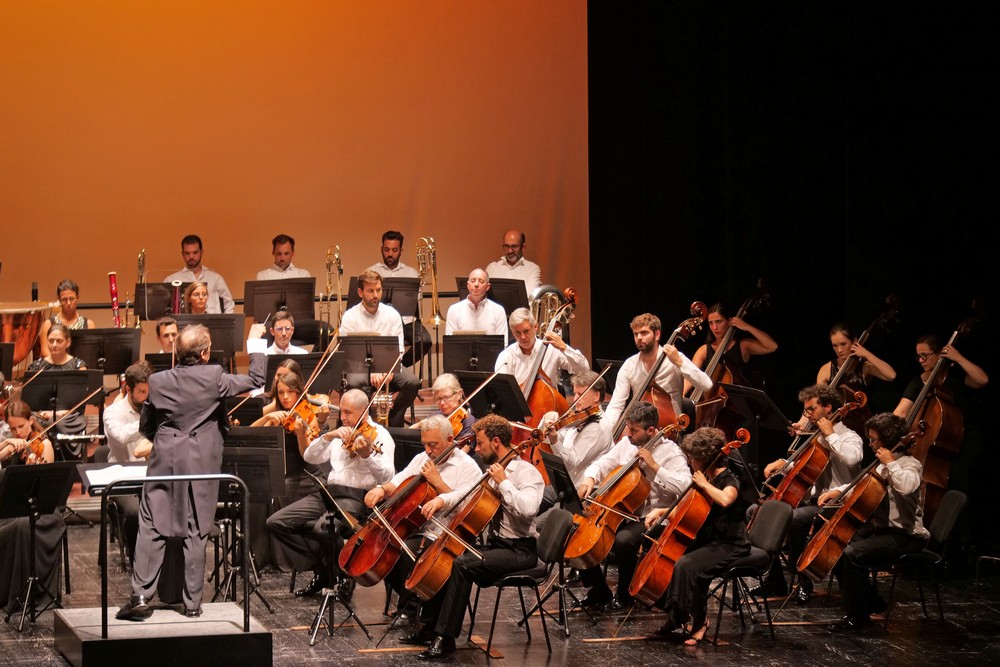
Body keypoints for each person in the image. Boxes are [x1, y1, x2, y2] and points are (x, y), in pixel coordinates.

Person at [115, 322, 266, 621]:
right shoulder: (214, 377)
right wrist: (254, 341)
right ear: (205, 353)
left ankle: (141, 596)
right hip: (202, 462)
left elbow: (147, 425)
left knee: (151, 524)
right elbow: (257, 378)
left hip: (165, 460)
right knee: (197, 529)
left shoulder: (157, 381)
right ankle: (193, 604)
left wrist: (166, 437)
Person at [402, 414, 545, 659]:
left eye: (480, 444)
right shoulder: (490, 471)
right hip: (497, 546)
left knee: (462, 565)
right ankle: (428, 627)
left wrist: (505, 483)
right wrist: (441, 499)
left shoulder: (526, 472)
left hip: (521, 551)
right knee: (448, 558)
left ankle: (445, 638)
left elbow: (528, 509)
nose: (476, 449)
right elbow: (465, 497)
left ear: (496, 442)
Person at [266, 388, 395, 598]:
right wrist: (328, 436)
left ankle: (334, 573)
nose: (342, 417)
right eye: (341, 412)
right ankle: (328, 568)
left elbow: (387, 477)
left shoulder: (380, 435)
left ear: (364, 411)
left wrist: (367, 456)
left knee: (323, 529)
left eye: (348, 413)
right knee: (277, 522)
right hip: (328, 493)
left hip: (356, 497)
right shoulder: (339, 433)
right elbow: (310, 456)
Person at [574, 402, 691, 612]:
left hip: (655, 517)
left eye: (634, 430)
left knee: (624, 541)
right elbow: (603, 463)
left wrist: (656, 467)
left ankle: (625, 595)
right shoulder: (627, 444)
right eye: (628, 428)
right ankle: (599, 590)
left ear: (651, 430)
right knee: (578, 529)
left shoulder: (672, 454)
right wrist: (590, 478)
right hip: (625, 513)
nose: (628, 434)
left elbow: (686, 486)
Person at [365, 414, 481, 624]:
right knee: (385, 552)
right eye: (425, 444)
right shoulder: (422, 459)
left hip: (447, 534)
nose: (428, 450)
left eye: (433, 445)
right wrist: (382, 490)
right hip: (418, 527)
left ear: (449, 440)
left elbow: (465, 508)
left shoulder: (468, 467)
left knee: (407, 552)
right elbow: (399, 481)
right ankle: (411, 604)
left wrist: (438, 483)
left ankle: (417, 608)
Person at [753, 384, 863, 603]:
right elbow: (804, 465)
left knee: (794, 520)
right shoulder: (817, 436)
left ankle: (803, 579)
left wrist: (831, 435)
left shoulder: (850, 437)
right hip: (812, 501)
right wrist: (783, 464)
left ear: (828, 408)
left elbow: (853, 459)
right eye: (807, 410)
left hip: (837, 503)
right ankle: (775, 581)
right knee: (757, 511)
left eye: (811, 409)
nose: (808, 415)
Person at [821, 412, 929, 632]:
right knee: (839, 547)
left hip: (906, 536)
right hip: (882, 531)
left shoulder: (911, 464)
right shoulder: (880, 465)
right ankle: (870, 602)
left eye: (873, 439)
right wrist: (837, 491)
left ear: (888, 440)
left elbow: (906, 487)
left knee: (853, 553)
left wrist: (891, 464)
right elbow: (860, 482)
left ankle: (858, 617)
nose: (870, 444)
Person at [648, 426, 750, 645]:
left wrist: (704, 484)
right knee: (674, 560)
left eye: (692, 458)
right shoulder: (705, 477)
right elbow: (692, 509)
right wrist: (662, 512)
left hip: (731, 543)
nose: (689, 462)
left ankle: (698, 622)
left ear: (704, 458)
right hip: (709, 539)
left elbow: (725, 499)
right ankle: (676, 618)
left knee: (688, 565)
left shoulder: (729, 479)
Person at [0, 401, 63, 615]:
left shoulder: (43, 444)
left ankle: (22, 591)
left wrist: (32, 461)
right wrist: (8, 442)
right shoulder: (14, 443)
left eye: (21, 427)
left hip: (41, 509)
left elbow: (46, 485)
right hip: (14, 506)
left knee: (20, 527)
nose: (18, 432)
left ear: (30, 421)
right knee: (13, 524)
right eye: (13, 428)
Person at [603, 313, 713, 436]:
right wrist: (606, 434)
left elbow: (706, 385)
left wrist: (680, 363)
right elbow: (616, 404)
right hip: (639, 429)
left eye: (644, 333)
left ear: (657, 334)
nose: (639, 337)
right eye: (635, 334)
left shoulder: (674, 358)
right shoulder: (629, 365)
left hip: (670, 430)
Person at [339, 270, 420, 428]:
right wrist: (372, 369)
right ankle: (362, 423)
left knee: (413, 382)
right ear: (360, 292)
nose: (375, 295)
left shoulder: (392, 314)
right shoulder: (350, 316)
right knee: (354, 383)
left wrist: (386, 369)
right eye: (370, 291)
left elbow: (400, 350)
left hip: (388, 366)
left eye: (378, 290)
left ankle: (395, 420)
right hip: (358, 368)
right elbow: (348, 353)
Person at [536, 370, 613, 514]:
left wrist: (555, 441)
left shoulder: (598, 428)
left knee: (542, 524)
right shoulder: (580, 417)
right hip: (563, 484)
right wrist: (545, 422)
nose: (575, 399)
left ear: (596, 396)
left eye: (580, 394)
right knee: (530, 505)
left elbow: (571, 461)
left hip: (579, 494)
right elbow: (543, 437)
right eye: (575, 393)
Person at [367, 230, 432, 369]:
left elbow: (416, 299)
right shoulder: (371, 272)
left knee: (425, 341)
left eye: (394, 250)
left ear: (401, 251)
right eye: (387, 250)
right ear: (381, 249)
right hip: (379, 320)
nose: (390, 254)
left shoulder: (411, 273)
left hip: (407, 322)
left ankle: (398, 367)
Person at [892, 334, 989, 419]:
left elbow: (982, 381)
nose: (921, 361)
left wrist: (958, 357)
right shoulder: (917, 382)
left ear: (939, 353)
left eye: (925, 355)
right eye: (918, 356)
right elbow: (900, 413)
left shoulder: (956, 374)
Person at [494, 307, 589, 389]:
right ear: (512, 332)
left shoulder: (551, 348)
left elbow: (583, 369)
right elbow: (502, 389)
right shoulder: (506, 356)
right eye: (517, 333)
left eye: (526, 331)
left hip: (548, 408)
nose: (522, 337)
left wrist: (564, 348)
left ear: (535, 327)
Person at [688, 302, 778, 388]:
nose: (714, 327)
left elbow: (772, 346)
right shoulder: (704, 350)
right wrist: (682, 394)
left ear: (730, 321)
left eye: (719, 321)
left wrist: (747, 327)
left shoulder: (743, 346)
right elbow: (691, 376)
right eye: (711, 323)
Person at [165, 234, 235, 314]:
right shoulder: (171, 280)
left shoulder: (216, 278)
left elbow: (229, 303)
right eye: (187, 253)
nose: (191, 257)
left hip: (213, 324)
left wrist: (225, 324)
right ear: (182, 254)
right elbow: (164, 309)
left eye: (195, 253)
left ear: (201, 252)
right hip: (183, 325)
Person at [104, 361, 155, 464]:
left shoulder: (153, 408)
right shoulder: (112, 412)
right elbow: (121, 437)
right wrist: (148, 420)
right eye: (142, 391)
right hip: (122, 474)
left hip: (148, 472)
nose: (147, 397)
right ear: (128, 389)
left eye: (149, 391)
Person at [445, 268, 508, 343]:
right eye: (473, 281)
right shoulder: (454, 310)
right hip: (461, 354)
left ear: (487, 287)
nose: (476, 284)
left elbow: (503, 344)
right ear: (468, 285)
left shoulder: (498, 310)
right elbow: (450, 344)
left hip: (491, 354)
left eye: (481, 281)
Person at [39, 279, 96, 357]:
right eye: (64, 300)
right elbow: (45, 352)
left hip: (81, 367)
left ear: (78, 297)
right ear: (59, 299)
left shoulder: (89, 324)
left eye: (72, 299)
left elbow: (91, 352)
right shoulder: (48, 324)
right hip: (56, 367)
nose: (68, 303)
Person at [485, 229, 542, 298]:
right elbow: (484, 294)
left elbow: (528, 297)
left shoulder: (532, 269)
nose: (510, 251)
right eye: (506, 246)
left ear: (523, 247)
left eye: (514, 246)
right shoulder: (493, 268)